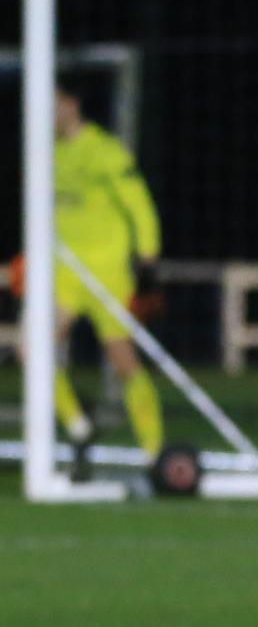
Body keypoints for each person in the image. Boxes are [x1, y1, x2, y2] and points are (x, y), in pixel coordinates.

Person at [51, 78, 165, 478]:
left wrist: (148, 261)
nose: (46, 113)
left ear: (71, 103)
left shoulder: (105, 150)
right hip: (63, 272)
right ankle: (80, 429)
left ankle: (154, 452)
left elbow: (139, 204)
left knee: (123, 361)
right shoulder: (48, 155)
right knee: (35, 352)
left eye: (52, 103)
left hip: (107, 273)